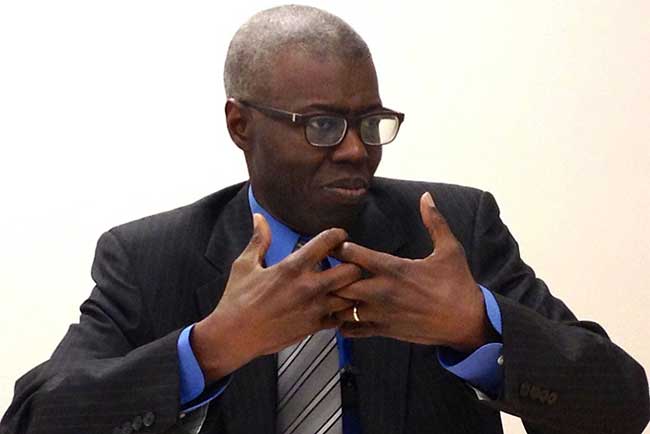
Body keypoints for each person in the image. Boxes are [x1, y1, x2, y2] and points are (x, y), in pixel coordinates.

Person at [1, 5, 648, 434]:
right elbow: (34, 422)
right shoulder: (150, 258)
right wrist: (211, 349)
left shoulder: (451, 230)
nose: (356, 149)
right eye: (321, 125)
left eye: (370, 122)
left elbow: (622, 405)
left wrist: (477, 327)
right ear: (240, 125)